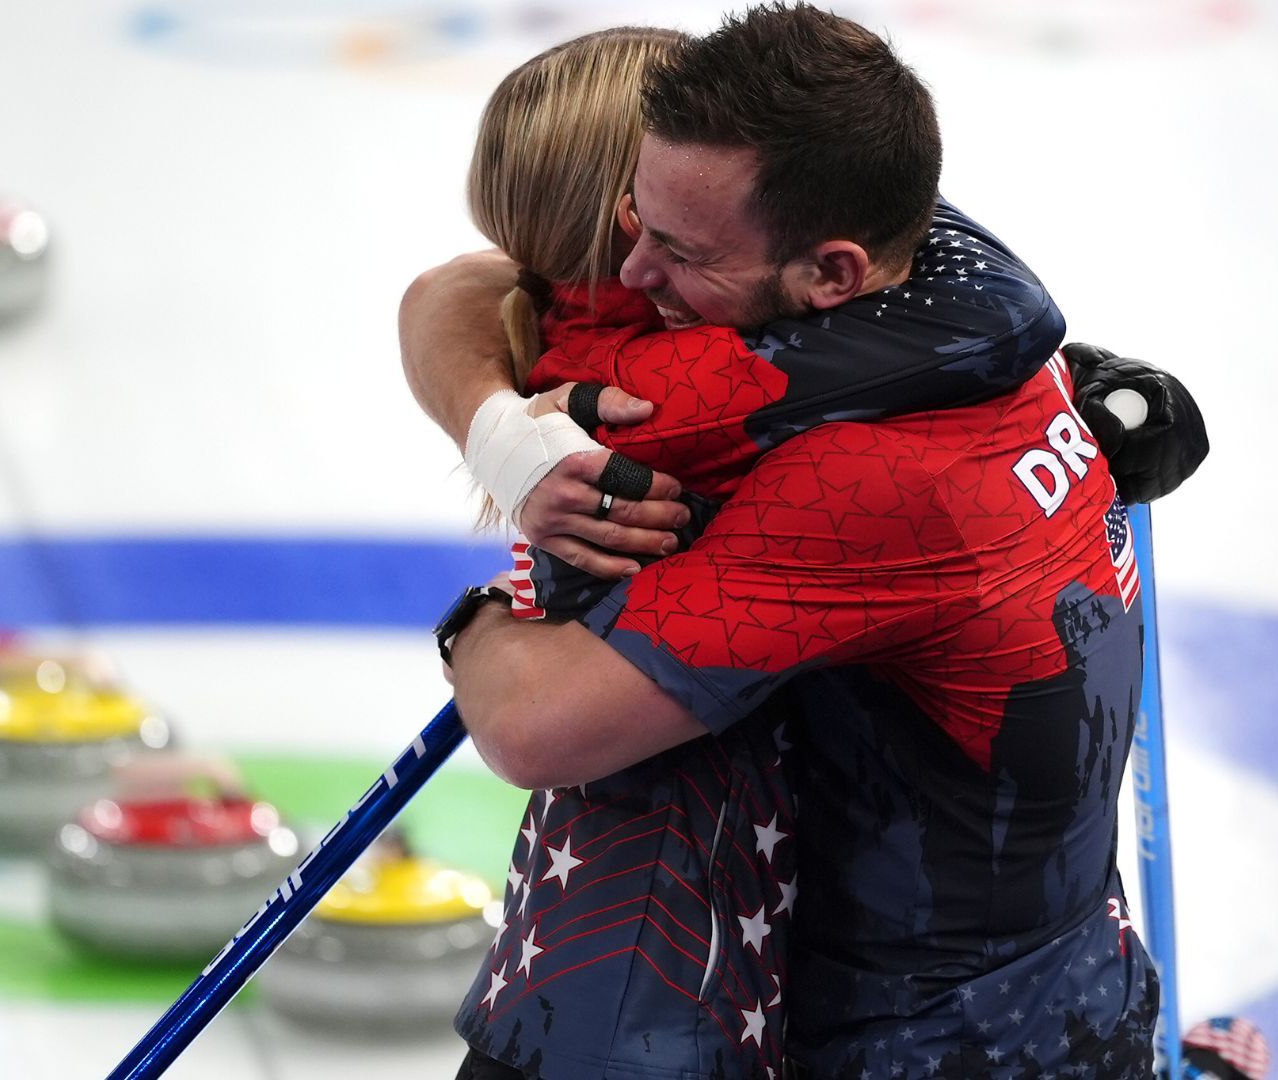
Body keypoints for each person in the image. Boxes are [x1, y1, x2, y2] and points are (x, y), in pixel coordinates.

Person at [406, 6, 1201, 1078]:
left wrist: (480, 617)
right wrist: (497, 423)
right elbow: (458, 286)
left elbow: (533, 723)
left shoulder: (809, 455)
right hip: (1063, 987)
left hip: (938, 1046)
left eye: (679, 247)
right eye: (635, 222)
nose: (642, 272)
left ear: (830, 270)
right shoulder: (950, 318)